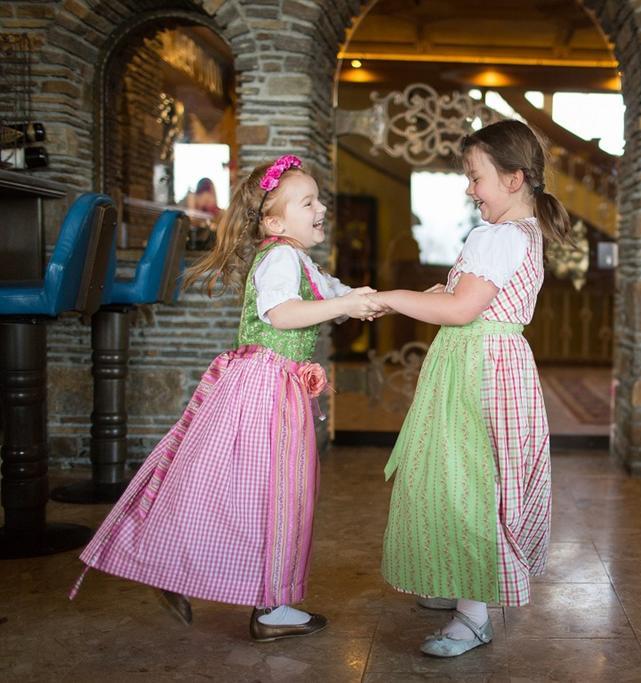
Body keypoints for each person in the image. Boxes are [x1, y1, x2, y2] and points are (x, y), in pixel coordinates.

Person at [69, 154, 384, 642]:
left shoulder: (296, 258)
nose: (321, 206)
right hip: (267, 391)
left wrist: (381, 300)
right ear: (275, 220)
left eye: (319, 198)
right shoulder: (280, 256)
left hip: (272, 387)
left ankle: (193, 573)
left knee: (254, 493)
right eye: (308, 201)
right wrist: (346, 303)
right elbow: (281, 313)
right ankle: (267, 607)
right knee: (278, 493)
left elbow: (337, 295)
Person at [371, 120, 570, 657]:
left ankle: (473, 613)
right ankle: (461, 580)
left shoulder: (498, 235)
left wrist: (391, 296)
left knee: (470, 484)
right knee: (461, 473)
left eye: (474, 176)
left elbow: (461, 310)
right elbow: (472, 297)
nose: (469, 187)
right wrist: (440, 291)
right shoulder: (520, 234)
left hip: (479, 371)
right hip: (487, 364)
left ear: (513, 179)